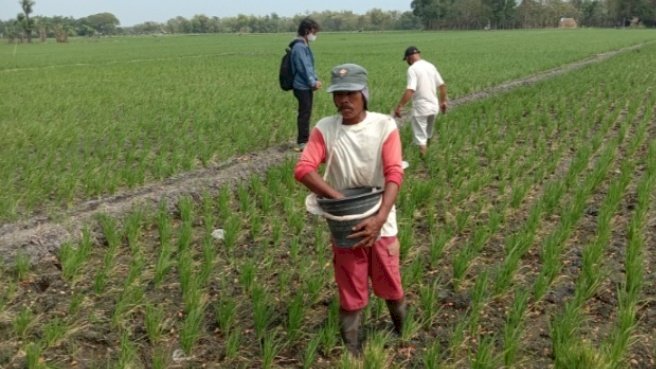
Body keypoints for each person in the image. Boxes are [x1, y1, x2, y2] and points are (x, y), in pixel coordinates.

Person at [294, 63, 406, 356]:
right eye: (338, 94)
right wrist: (339, 199)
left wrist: (379, 218)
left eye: (350, 93)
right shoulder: (325, 128)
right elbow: (304, 169)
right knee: (351, 290)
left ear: (364, 94)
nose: (344, 100)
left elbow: (394, 173)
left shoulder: (384, 125)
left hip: (382, 219)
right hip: (345, 224)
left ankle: (402, 334)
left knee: (391, 285)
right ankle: (353, 353)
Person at [393, 46, 448, 157]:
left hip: (421, 107)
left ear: (409, 58)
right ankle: (429, 154)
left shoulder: (412, 69)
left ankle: (424, 160)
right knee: (427, 134)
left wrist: (399, 106)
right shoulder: (430, 66)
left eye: (406, 60)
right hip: (433, 107)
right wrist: (443, 102)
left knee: (420, 137)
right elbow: (442, 85)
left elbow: (410, 89)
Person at [290, 18, 322, 152]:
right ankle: (302, 142)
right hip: (301, 86)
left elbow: (309, 66)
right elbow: (303, 68)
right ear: (307, 30)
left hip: (306, 85)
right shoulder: (299, 47)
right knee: (304, 113)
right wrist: (312, 82)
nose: (315, 35)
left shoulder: (304, 45)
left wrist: (315, 79)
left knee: (306, 112)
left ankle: (305, 139)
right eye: (314, 31)